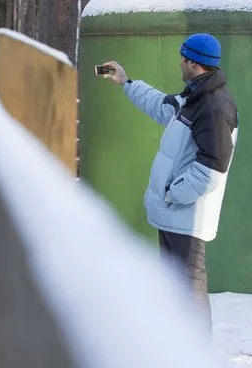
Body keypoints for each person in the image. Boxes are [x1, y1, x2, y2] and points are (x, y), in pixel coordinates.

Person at [102, 33, 239, 339]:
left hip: (187, 217)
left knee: (190, 293)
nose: (179, 62)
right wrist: (126, 82)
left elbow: (211, 171)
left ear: (195, 63)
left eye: (182, 58)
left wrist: (171, 194)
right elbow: (160, 105)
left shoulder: (214, 107)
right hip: (174, 214)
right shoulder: (195, 97)